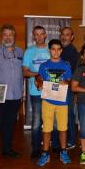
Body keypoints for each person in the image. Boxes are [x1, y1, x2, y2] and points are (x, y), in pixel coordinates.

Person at [0, 24, 24, 164]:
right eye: (5, 35)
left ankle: (7, 150)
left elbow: (21, 73)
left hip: (16, 94)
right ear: (1, 36)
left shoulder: (20, 52)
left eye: (10, 35)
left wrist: (22, 94)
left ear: (14, 36)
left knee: (9, 124)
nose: (8, 38)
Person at [37, 39, 73, 166]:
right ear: (49, 50)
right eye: (53, 49)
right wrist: (39, 85)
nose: (56, 51)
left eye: (58, 49)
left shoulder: (66, 66)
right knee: (46, 128)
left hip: (62, 101)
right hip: (47, 101)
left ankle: (63, 152)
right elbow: (39, 81)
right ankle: (45, 153)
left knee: (63, 128)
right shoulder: (44, 66)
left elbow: (70, 82)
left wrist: (66, 82)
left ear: (61, 51)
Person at [22, 26, 50, 158]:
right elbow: (25, 71)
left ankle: (52, 145)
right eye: (36, 35)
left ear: (45, 35)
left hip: (51, 91)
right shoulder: (29, 51)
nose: (39, 37)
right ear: (33, 36)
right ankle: (36, 148)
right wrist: (38, 74)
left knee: (52, 120)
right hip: (36, 92)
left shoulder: (51, 50)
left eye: (41, 34)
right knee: (37, 122)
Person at [59, 27, 81, 150]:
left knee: (68, 114)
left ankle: (71, 139)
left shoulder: (72, 51)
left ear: (72, 37)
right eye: (62, 34)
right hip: (58, 86)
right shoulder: (59, 49)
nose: (64, 37)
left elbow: (72, 73)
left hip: (66, 87)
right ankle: (60, 138)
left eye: (67, 35)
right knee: (58, 113)